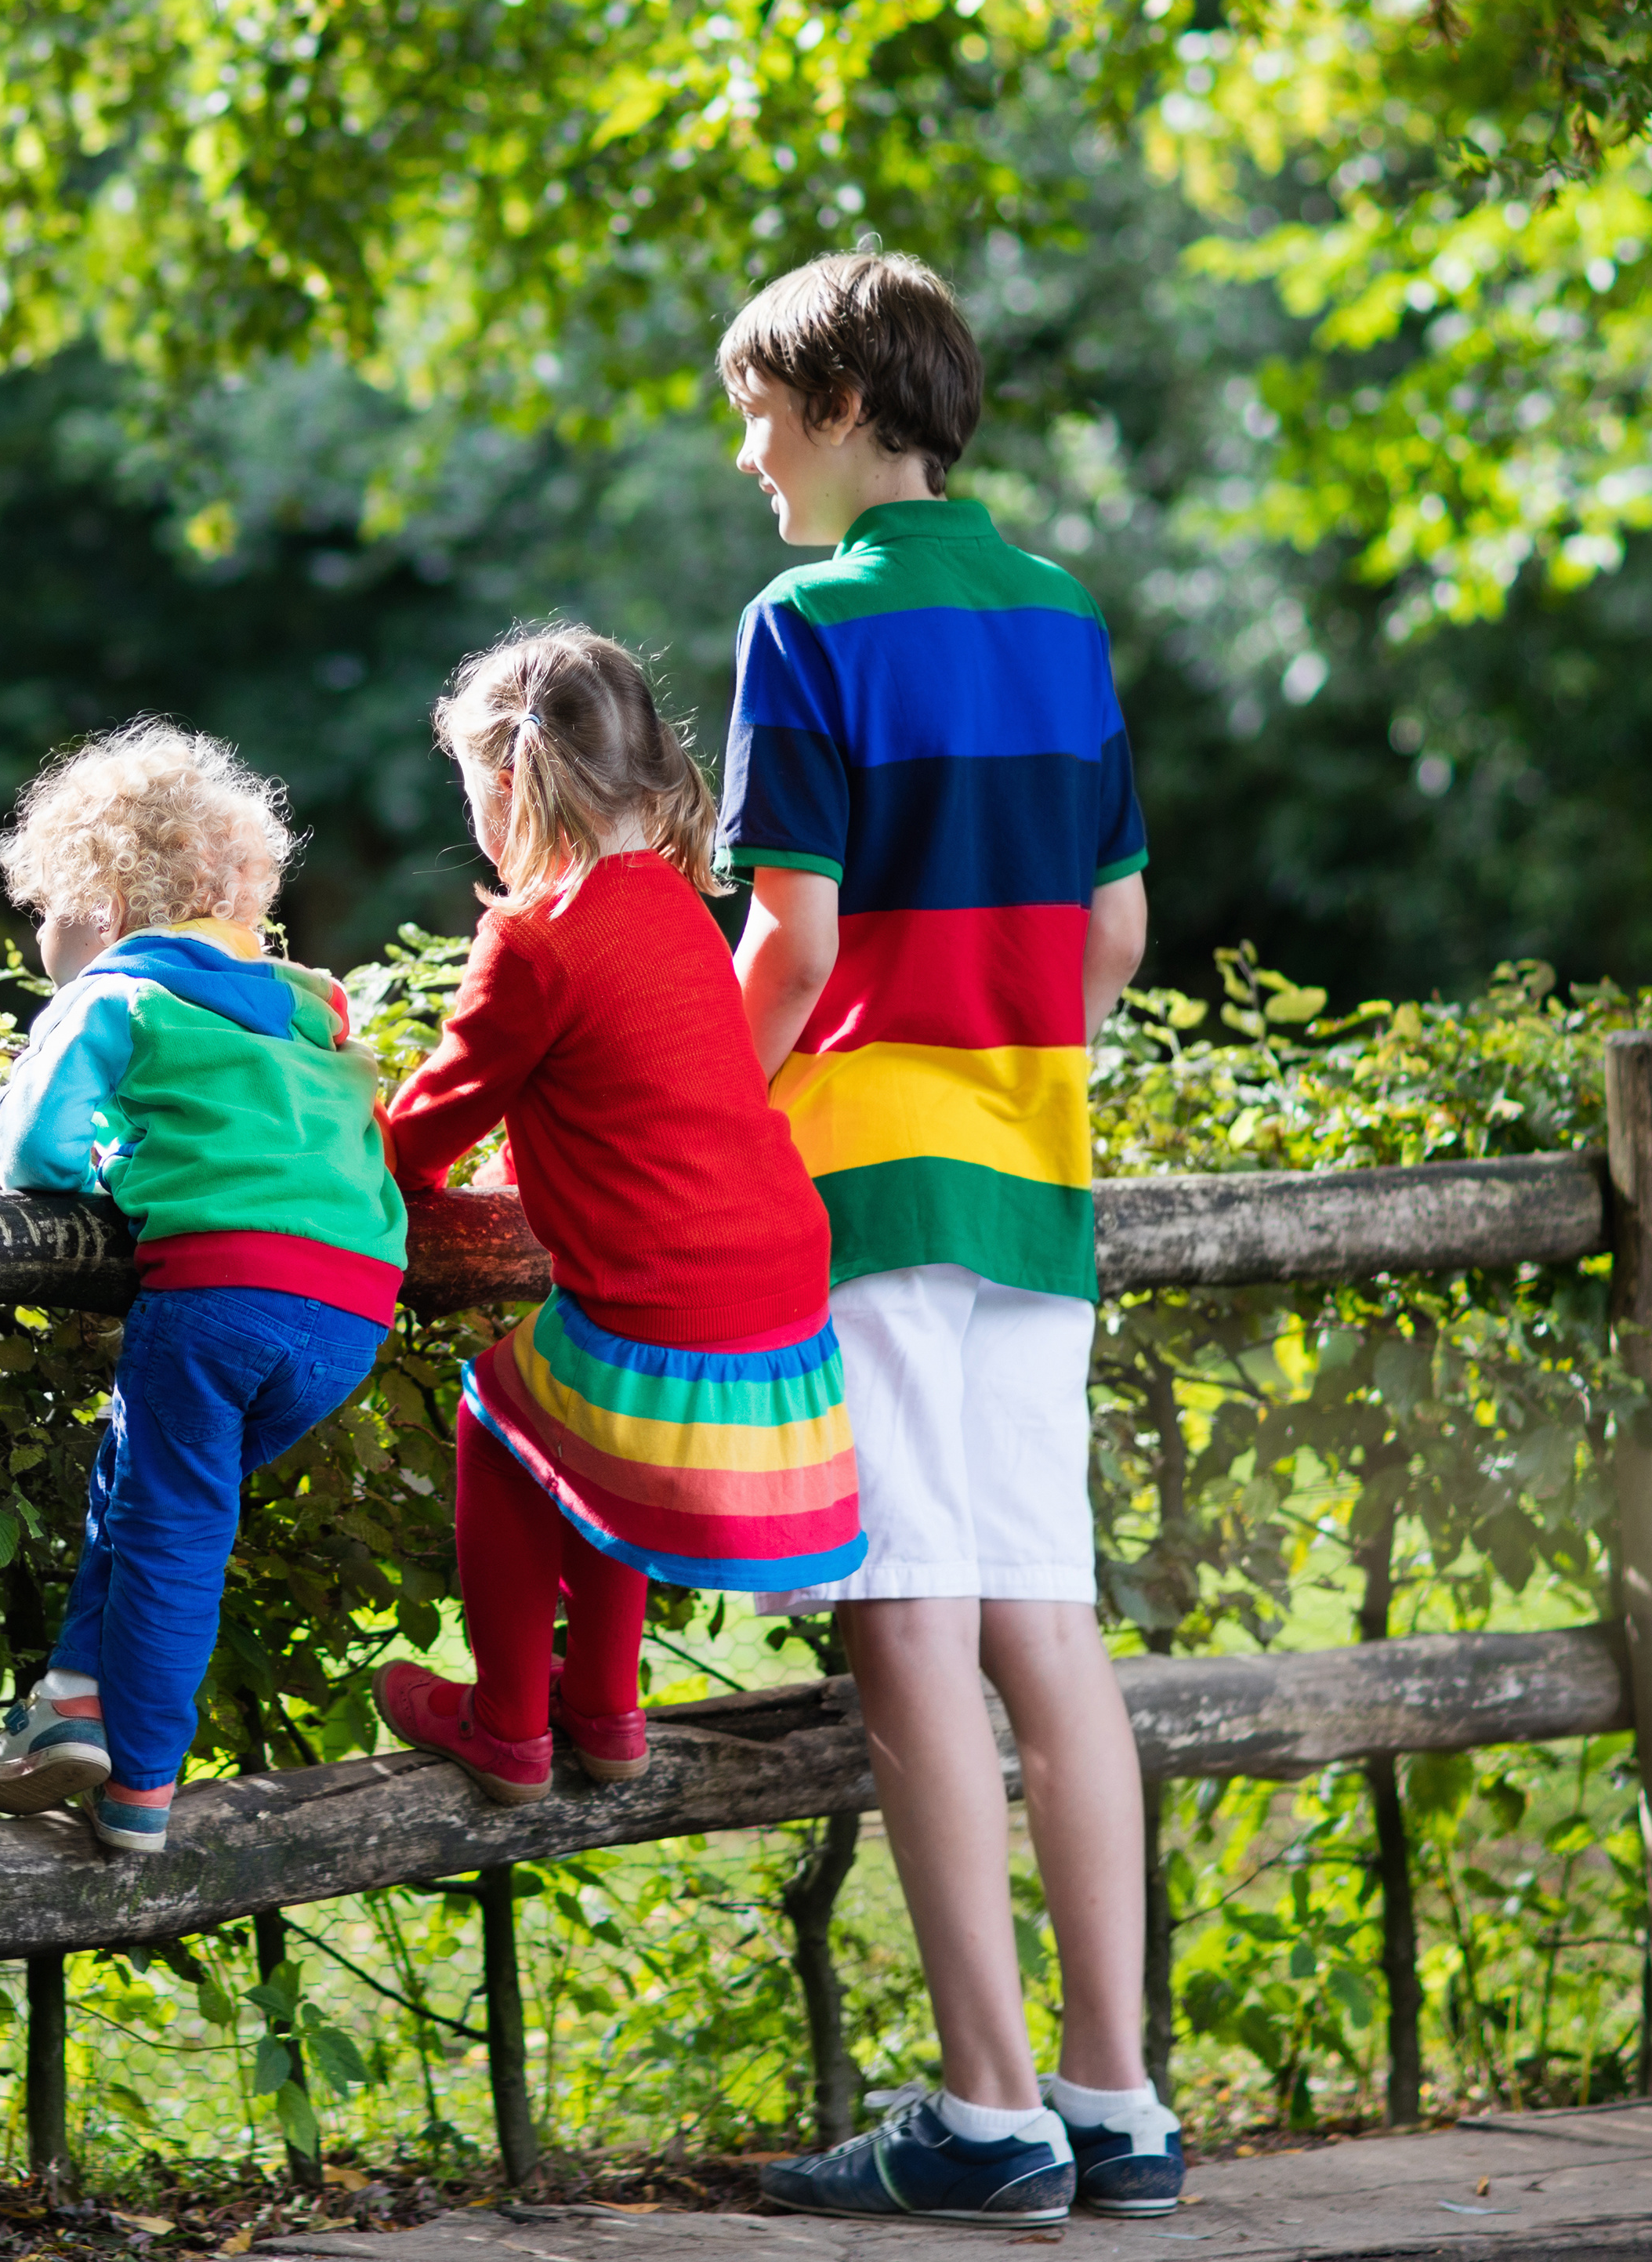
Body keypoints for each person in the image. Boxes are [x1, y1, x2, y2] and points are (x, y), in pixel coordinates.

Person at [717, 252, 1180, 2224]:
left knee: (905, 1609)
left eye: (755, 411)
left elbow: (792, 940)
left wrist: (710, 1116)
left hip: (869, 1182)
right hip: (1036, 1168)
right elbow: (1119, 933)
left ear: (836, 404)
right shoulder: (1064, 615)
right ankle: (1121, 2101)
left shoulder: (804, 619)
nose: (745, 453)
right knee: (1044, 1617)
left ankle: (988, 2121)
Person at [371, 624, 860, 1809]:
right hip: (785, 1296)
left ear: (505, 789)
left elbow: (433, 1118)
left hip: (671, 1309)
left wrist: (376, 1175)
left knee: (503, 1416)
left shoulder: (535, 939)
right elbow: (632, 1101)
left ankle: (506, 1724)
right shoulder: (683, 914)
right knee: (589, 1432)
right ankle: (604, 1710)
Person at [0, 722, 408, 1854]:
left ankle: (138, 1791)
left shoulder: (117, 992)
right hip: (350, 1313)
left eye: (47, 908)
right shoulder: (315, 1005)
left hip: (218, 1296)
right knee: (148, 1495)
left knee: (167, 1533)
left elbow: (34, 1149)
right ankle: (69, 1707)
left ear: (99, 902)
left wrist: (100, 1161)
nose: (43, 933)